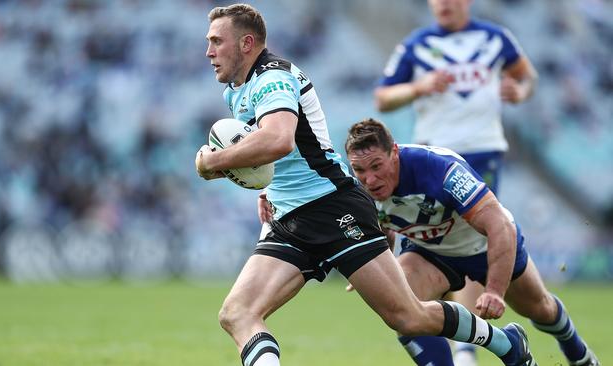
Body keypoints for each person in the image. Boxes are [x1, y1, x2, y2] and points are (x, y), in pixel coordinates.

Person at [195, 4, 538, 366]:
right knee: (237, 314)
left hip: (333, 207)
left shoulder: (272, 79)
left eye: (217, 41)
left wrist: (212, 162)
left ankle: (505, 343)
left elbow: (279, 139)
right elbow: (283, 150)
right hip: (290, 218)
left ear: (247, 43)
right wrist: (267, 187)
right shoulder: (238, 89)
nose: (209, 51)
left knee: (408, 316)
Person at [344, 118, 600, 366]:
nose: (370, 179)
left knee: (540, 308)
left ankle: (577, 351)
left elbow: (499, 226)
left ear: (395, 153)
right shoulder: (354, 187)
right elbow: (382, 224)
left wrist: (495, 291)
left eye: (376, 166)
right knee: (402, 307)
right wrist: (379, 259)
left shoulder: (439, 169)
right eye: (360, 170)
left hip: (485, 245)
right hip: (429, 250)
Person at [373, 0, 538, 363]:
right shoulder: (417, 45)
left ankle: (466, 349)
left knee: (473, 240)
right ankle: (472, 342)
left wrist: (520, 92)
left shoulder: (494, 38)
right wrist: (420, 87)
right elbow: (383, 98)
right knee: (429, 256)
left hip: (482, 152)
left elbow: (527, 76)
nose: (443, 4)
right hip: (433, 159)